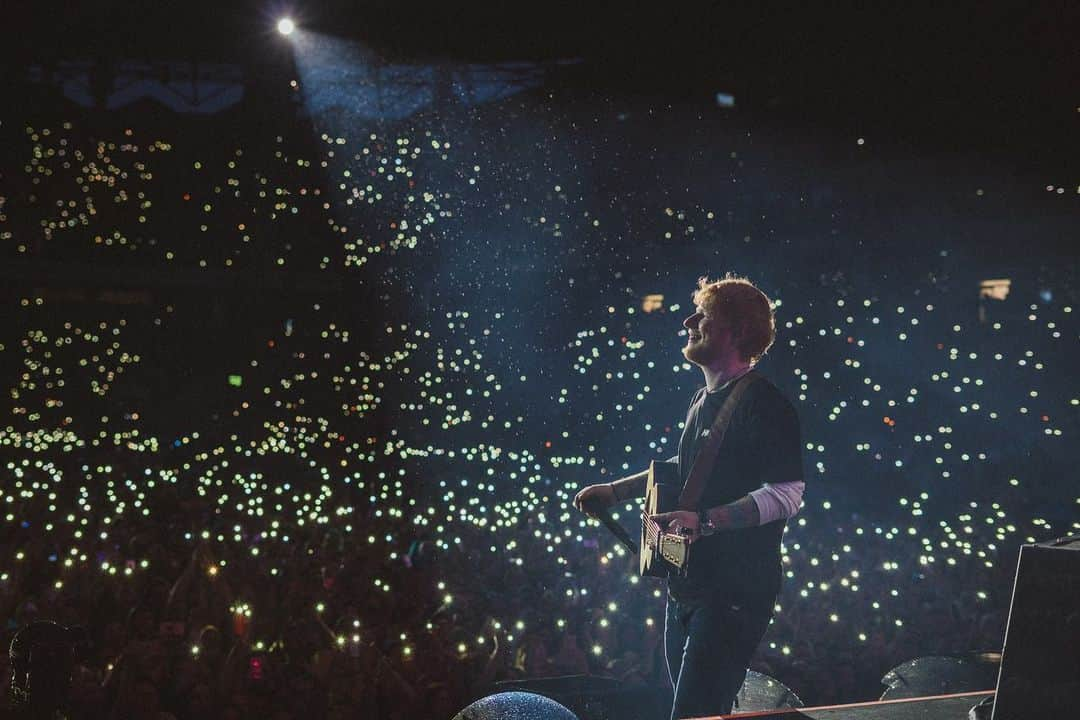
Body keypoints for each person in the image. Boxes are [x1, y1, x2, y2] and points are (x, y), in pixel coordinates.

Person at [574, 274, 805, 719]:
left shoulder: (765, 402)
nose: (688, 320)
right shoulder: (703, 400)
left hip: (733, 590)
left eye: (704, 315)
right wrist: (615, 492)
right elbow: (685, 469)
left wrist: (707, 520)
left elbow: (788, 494)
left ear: (735, 331)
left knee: (695, 714)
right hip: (691, 586)